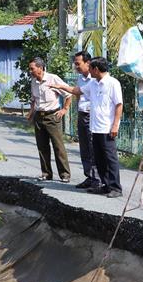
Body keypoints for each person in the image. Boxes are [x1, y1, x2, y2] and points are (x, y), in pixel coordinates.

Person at [49, 57, 123, 198]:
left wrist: (115, 126)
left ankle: (116, 187)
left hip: (107, 128)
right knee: (99, 158)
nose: (88, 71)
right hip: (95, 127)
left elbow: (119, 105)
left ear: (95, 69)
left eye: (90, 68)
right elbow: (77, 90)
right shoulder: (93, 84)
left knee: (110, 159)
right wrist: (61, 86)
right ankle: (105, 185)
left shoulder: (113, 83)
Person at [27, 57, 72, 182]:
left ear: (40, 68)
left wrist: (64, 109)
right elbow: (34, 99)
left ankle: (64, 174)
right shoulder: (33, 81)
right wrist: (31, 113)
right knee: (42, 146)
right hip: (39, 116)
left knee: (58, 146)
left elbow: (68, 95)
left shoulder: (53, 78)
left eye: (32, 68)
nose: (30, 71)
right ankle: (46, 173)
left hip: (52, 116)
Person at [72, 51, 100, 189]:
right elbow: (78, 96)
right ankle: (89, 176)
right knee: (84, 147)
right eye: (75, 63)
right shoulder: (80, 78)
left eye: (78, 63)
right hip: (82, 114)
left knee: (92, 147)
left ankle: (96, 179)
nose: (76, 66)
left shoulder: (95, 78)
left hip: (92, 116)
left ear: (87, 63)